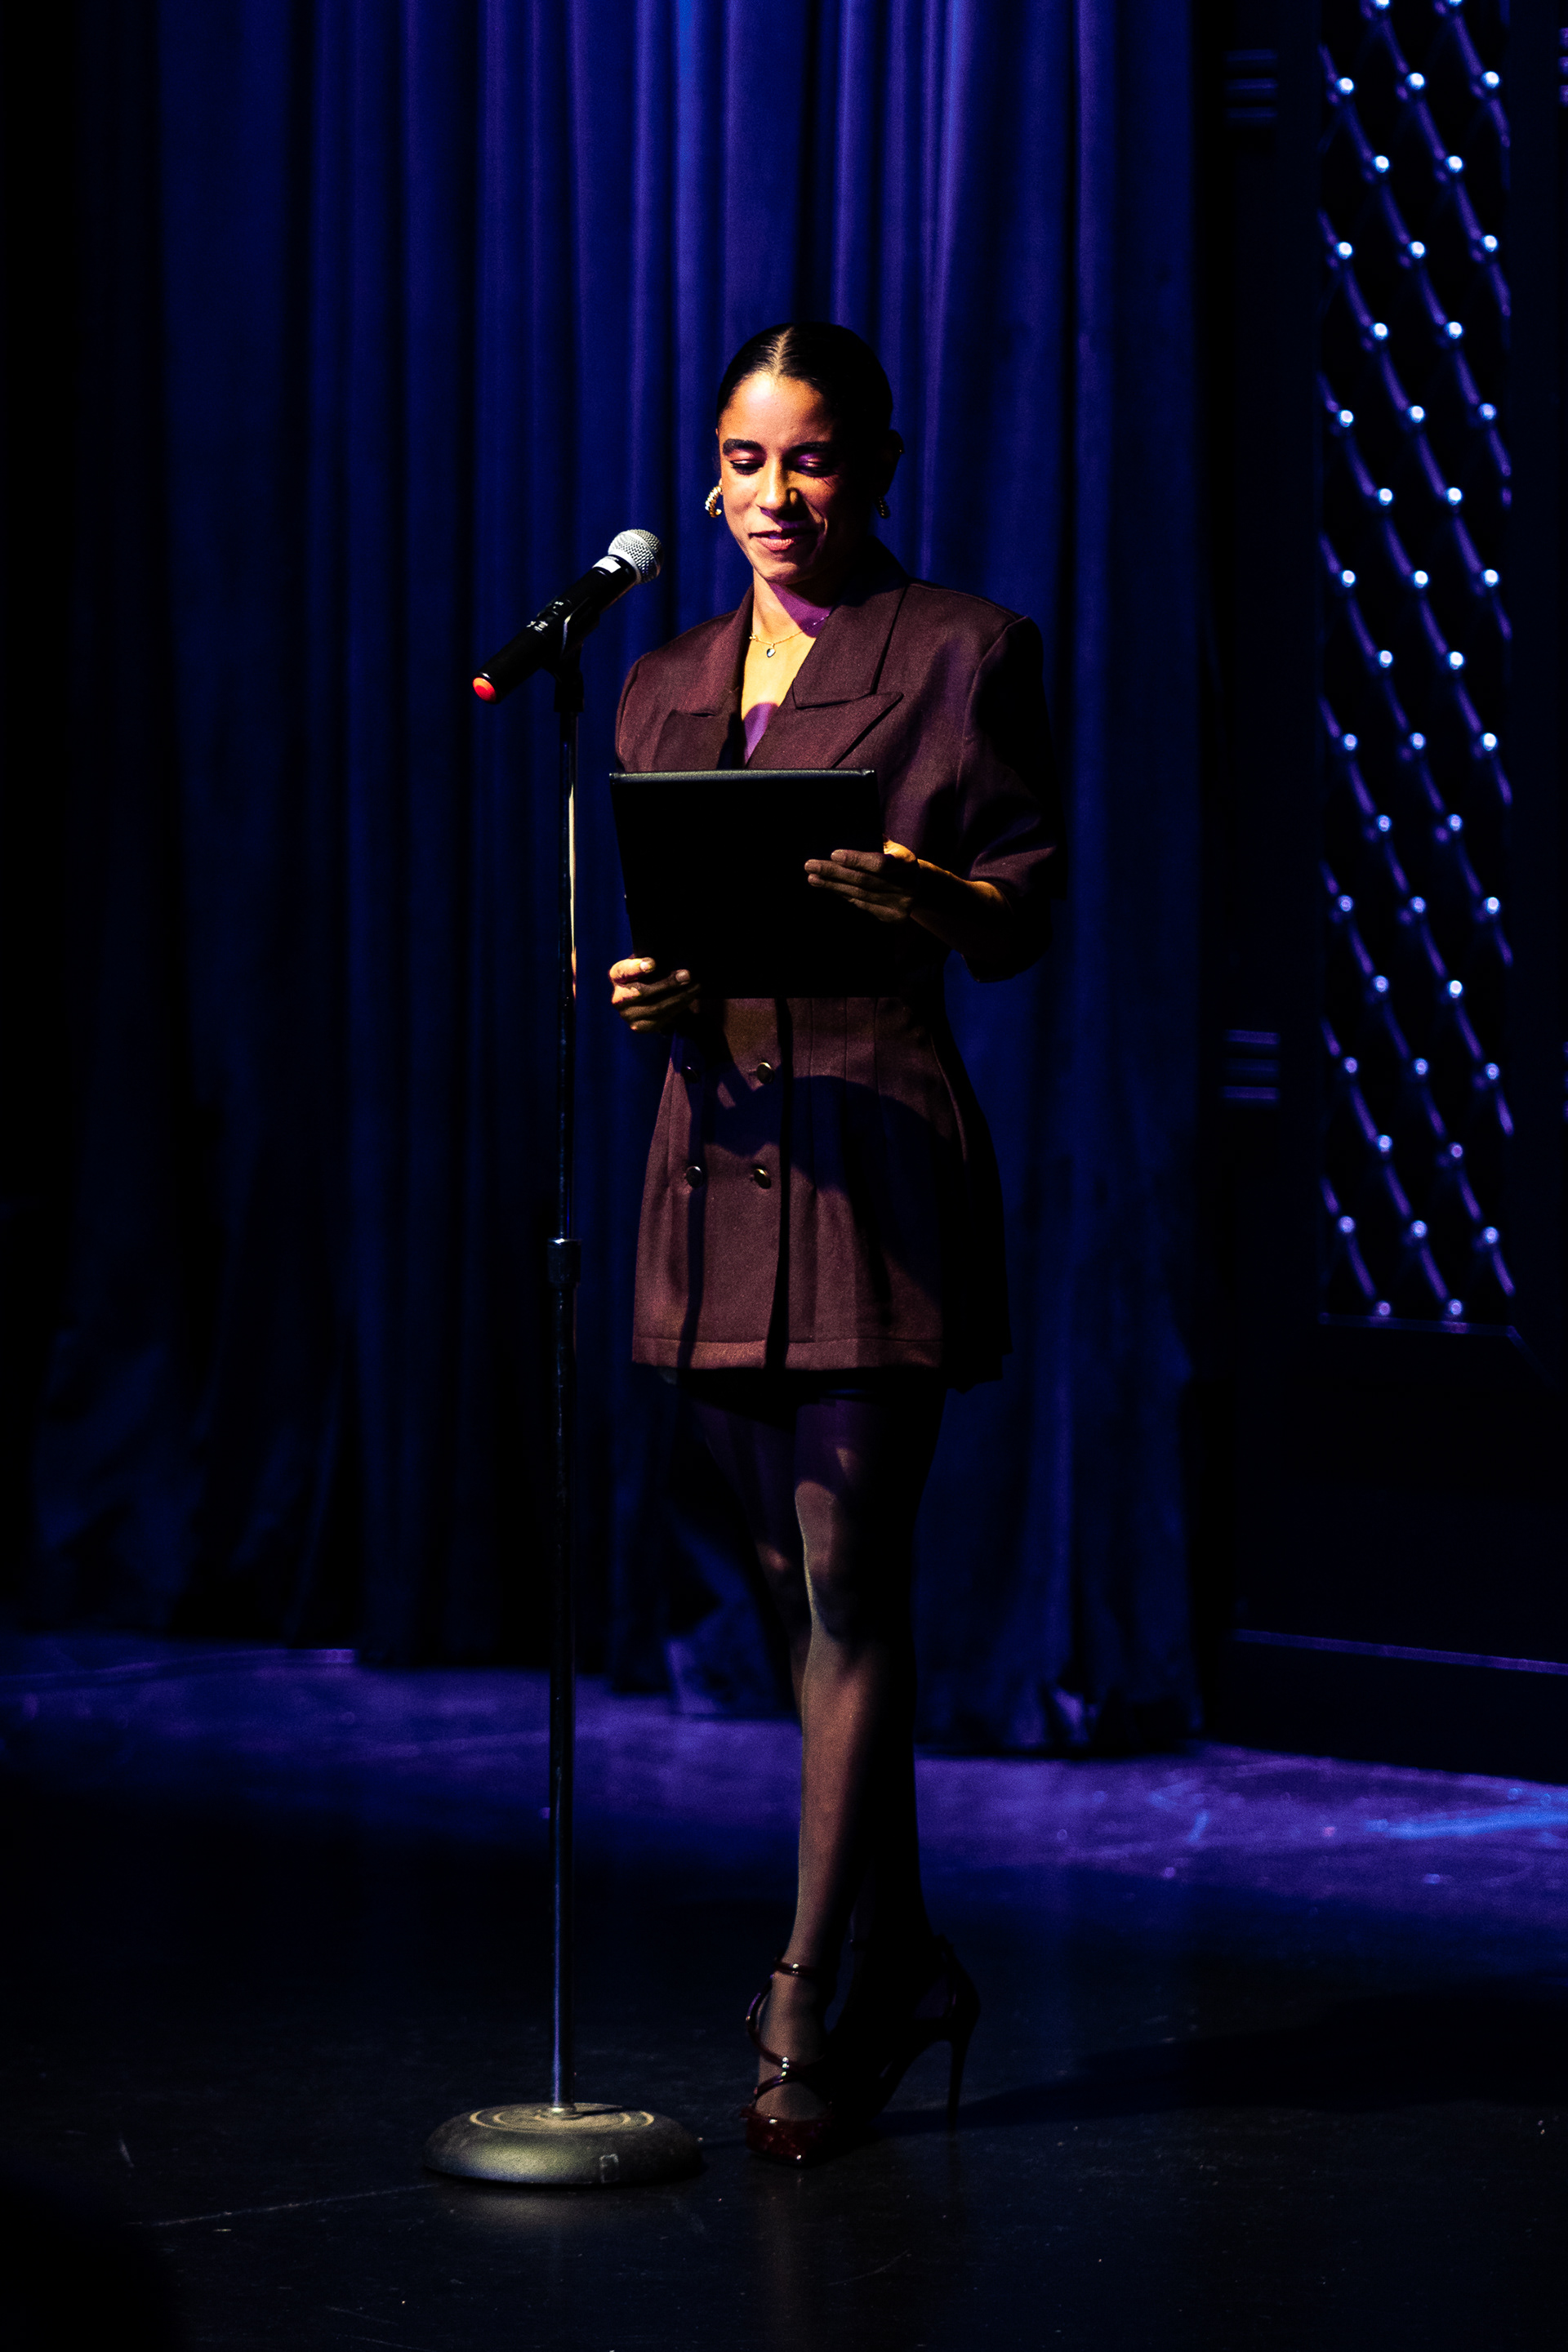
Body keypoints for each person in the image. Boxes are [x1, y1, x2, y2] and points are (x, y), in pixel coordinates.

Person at [608, 322, 1063, 2164]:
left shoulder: (963, 652)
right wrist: (641, 991)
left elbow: (1022, 915)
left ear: (873, 467)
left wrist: (930, 891)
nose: (774, 496)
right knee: (791, 1604)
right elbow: (647, 930)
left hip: (872, 1153)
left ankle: (804, 1991)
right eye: (744, 460)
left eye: (808, 460)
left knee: (851, 1577)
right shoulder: (661, 682)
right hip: (714, 1156)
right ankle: (911, 1959)